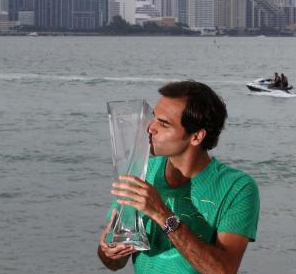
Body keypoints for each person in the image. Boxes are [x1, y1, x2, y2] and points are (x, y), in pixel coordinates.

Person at [98, 80, 260, 273]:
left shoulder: (237, 188)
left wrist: (161, 213)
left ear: (196, 137)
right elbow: (114, 263)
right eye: (153, 117)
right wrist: (110, 252)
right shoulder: (141, 169)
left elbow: (223, 270)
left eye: (163, 123)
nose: (150, 128)